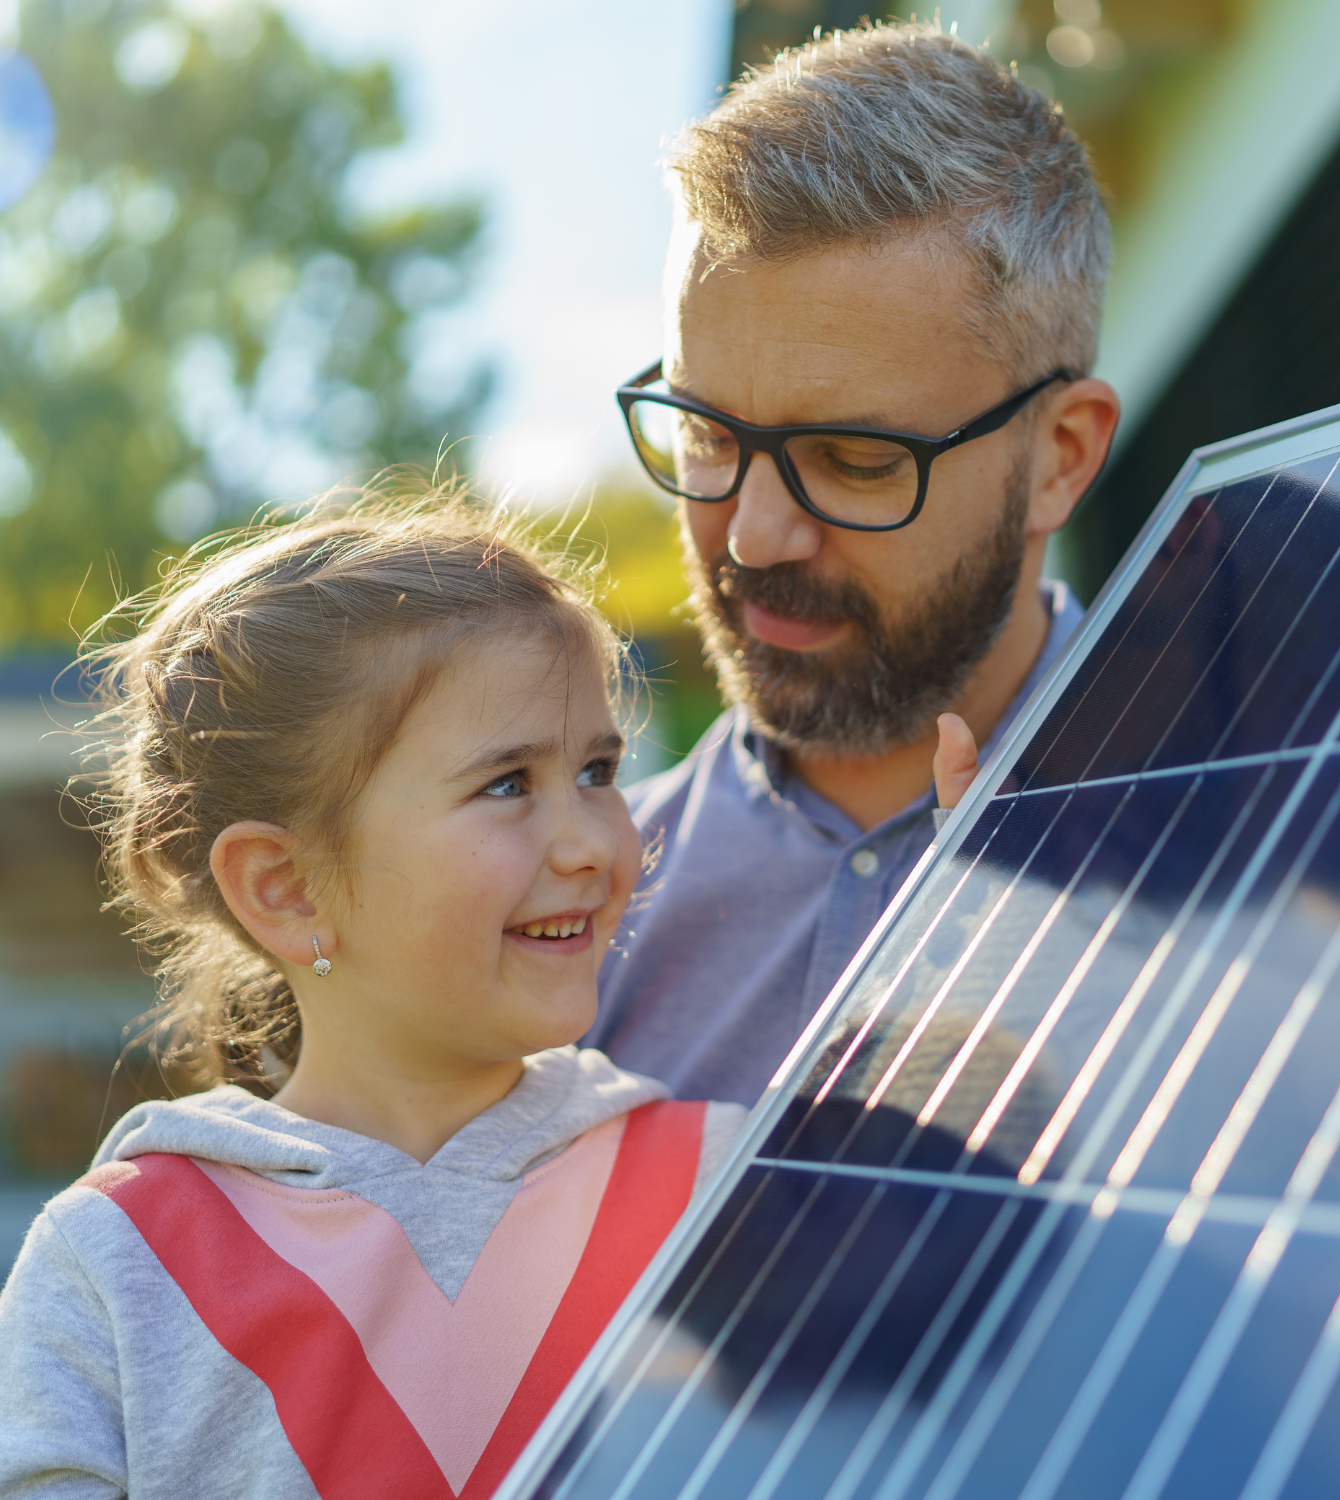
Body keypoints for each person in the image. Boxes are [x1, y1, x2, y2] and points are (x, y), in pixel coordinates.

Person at [0, 487, 749, 1499]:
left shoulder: (731, 1186)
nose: (594, 843)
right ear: (288, 887)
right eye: (507, 784)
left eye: (598, 769)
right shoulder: (116, 1264)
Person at [588, 23, 1122, 1106]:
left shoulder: (1282, 867)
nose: (751, 537)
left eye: (858, 460)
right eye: (707, 435)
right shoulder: (572, 915)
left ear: (1059, 459)